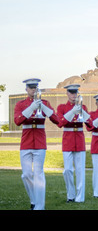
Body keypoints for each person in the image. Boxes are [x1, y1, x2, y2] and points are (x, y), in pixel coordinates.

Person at [14, 78, 59, 210]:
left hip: (39, 142)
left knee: (38, 174)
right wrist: (31, 108)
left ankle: (40, 206)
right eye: (31, 88)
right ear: (26, 89)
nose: (33, 90)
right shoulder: (21, 104)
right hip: (26, 142)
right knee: (26, 174)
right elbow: (18, 121)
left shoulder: (45, 103)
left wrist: (42, 106)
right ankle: (34, 200)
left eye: (35, 88)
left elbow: (56, 120)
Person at [57, 84, 91, 202]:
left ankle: (80, 197)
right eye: (71, 93)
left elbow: (90, 125)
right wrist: (73, 111)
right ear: (67, 94)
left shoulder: (83, 107)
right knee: (67, 170)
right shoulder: (62, 107)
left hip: (80, 141)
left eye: (75, 93)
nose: (73, 95)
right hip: (68, 140)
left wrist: (82, 111)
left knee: (80, 170)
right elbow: (60, 123)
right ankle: (70, 195)